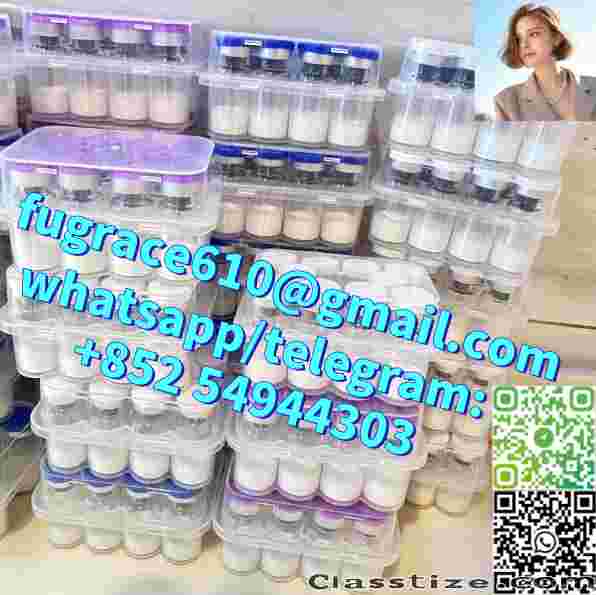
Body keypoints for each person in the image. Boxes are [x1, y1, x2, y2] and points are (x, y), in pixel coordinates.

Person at [494, 4, 596, 121]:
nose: (524, 44)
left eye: (533, 34)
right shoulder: (506, 103)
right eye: (519, 39)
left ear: (556, 38)